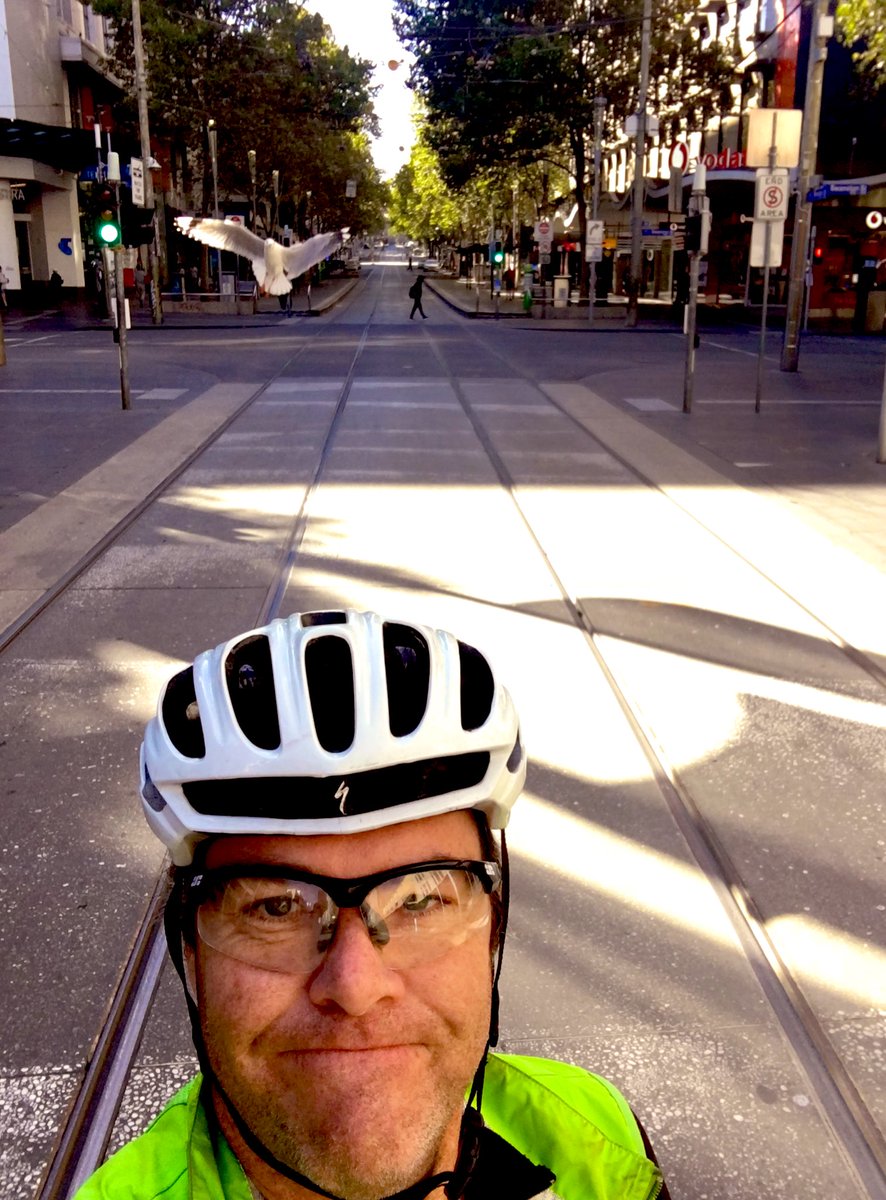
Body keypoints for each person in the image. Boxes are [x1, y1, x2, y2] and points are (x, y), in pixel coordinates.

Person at [74, 609, 669, 1200]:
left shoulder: (599, 1136)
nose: (355, 989)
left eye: (420, 899)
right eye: (276, 907)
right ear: (190, 953)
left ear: (493, 930)